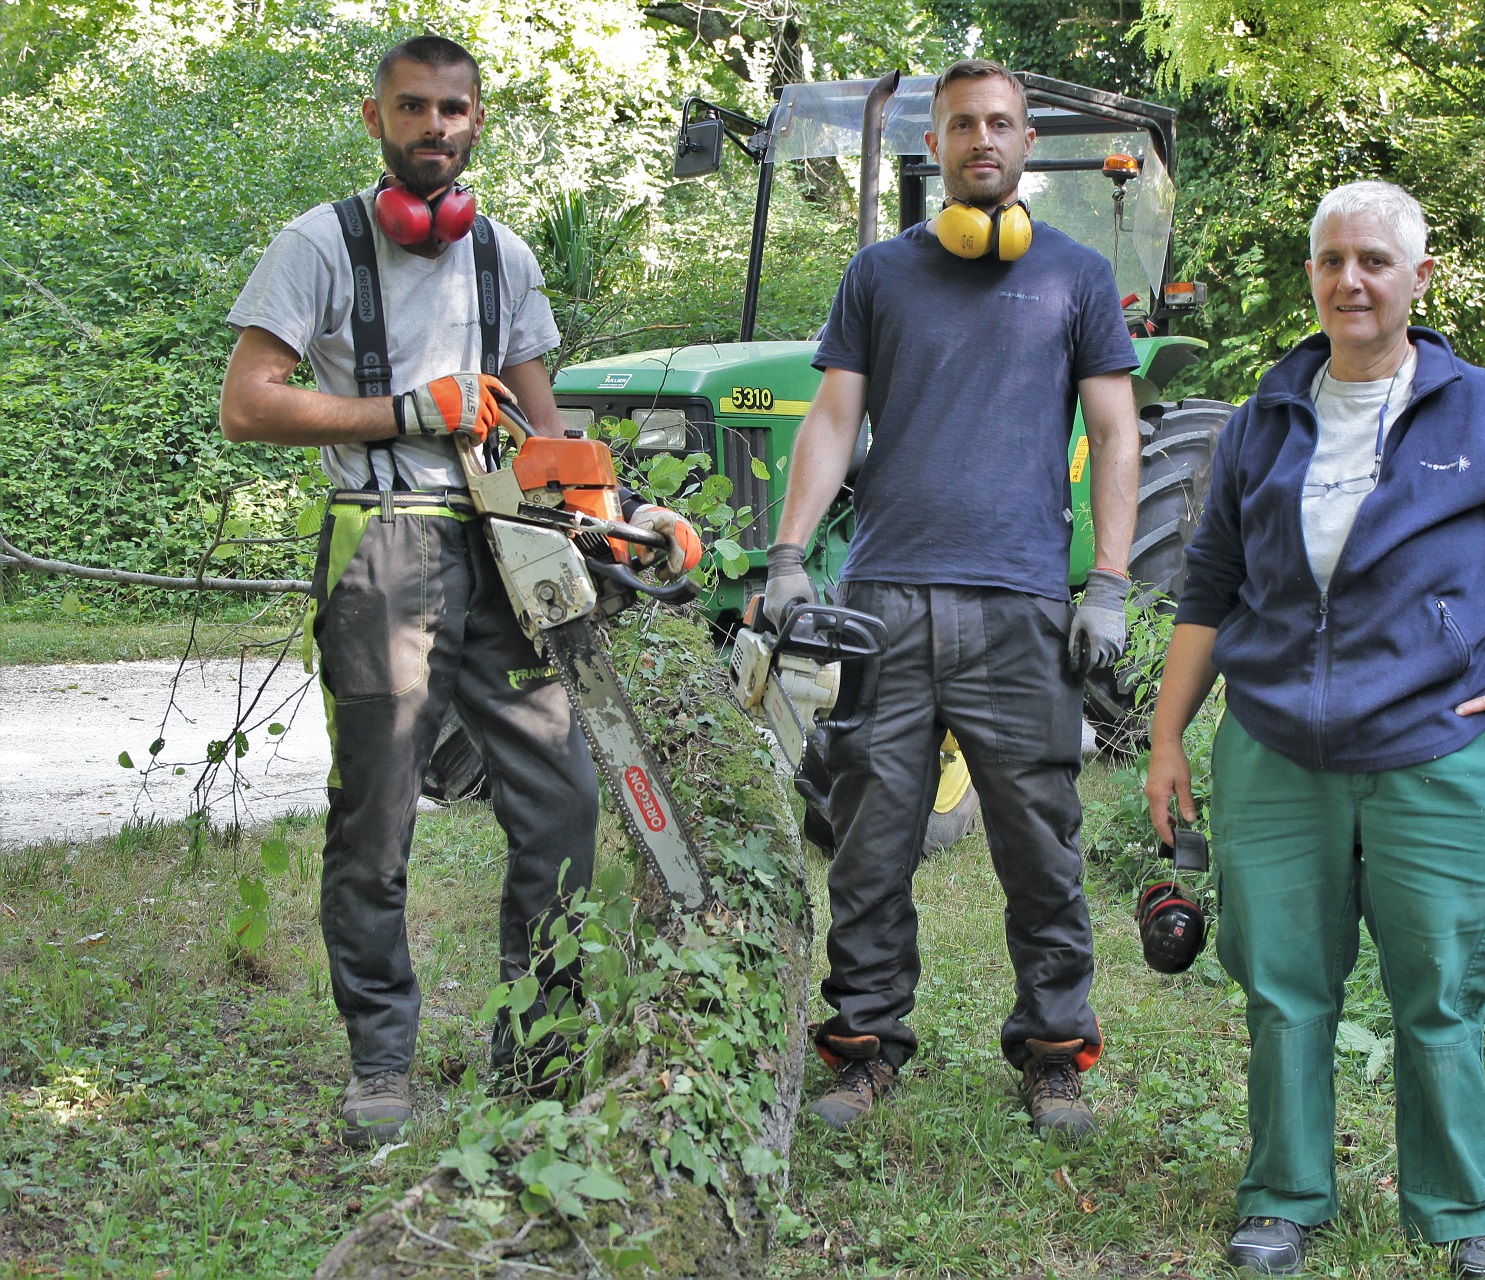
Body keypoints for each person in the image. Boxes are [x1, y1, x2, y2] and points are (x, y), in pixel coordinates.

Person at [1145, 181, 1485, 1279]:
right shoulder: (1265, 418)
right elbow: (1209, 588)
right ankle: (1282, 1199)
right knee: (1283, 983)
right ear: (1311, 276)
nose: (1350, 280)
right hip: (1272, 748)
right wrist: (1170, 738)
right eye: (1330, 261)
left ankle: (1463, 1220)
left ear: (1418, 278)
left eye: (1372, 260)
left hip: (1440, 752)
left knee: (1442, 990)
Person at [218, 35, 690, 1146]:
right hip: (380, 544)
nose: (436, 126)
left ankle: (535, 1053)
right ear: (376, 115)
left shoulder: (503, 258)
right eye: (415, 108)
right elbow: (248, 402)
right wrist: (407, 411)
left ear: (480, 119)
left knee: (562, 800)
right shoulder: (316, 246)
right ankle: (381, 1058)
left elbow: (552, 436)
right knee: (377, 818)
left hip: (503, 548)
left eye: (455, 109)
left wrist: (628, 518)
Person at [763, 58, 1142, 1137]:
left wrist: (1106, 580)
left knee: (1042, 844)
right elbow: (833, 418)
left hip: (1022, 605)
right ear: (935, 146)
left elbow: (1116, 432)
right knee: (870, 838)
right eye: (964, 124)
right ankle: (863, 1046)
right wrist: (791, 555)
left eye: (1003, 124)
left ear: (1027, 145)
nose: (984, 139)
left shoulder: (1074, 274)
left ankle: (1054, 1052)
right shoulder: (878, 273)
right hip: (884, 598)